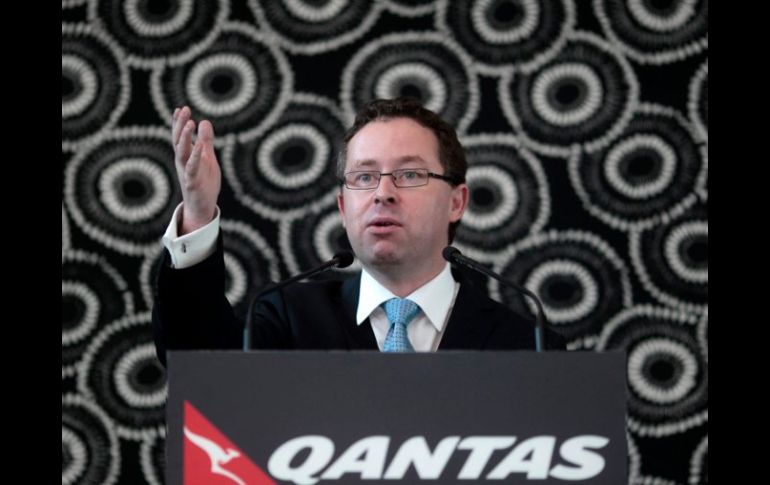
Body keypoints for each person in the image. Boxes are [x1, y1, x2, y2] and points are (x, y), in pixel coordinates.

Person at [152, 98, 563, 365]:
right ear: (343, 206)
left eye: (409, 174)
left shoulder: (530, 347)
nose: (382, 193)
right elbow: (195, 366)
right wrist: (199, 214)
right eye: (364, 177)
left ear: (457, 201)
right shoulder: (287, 320)